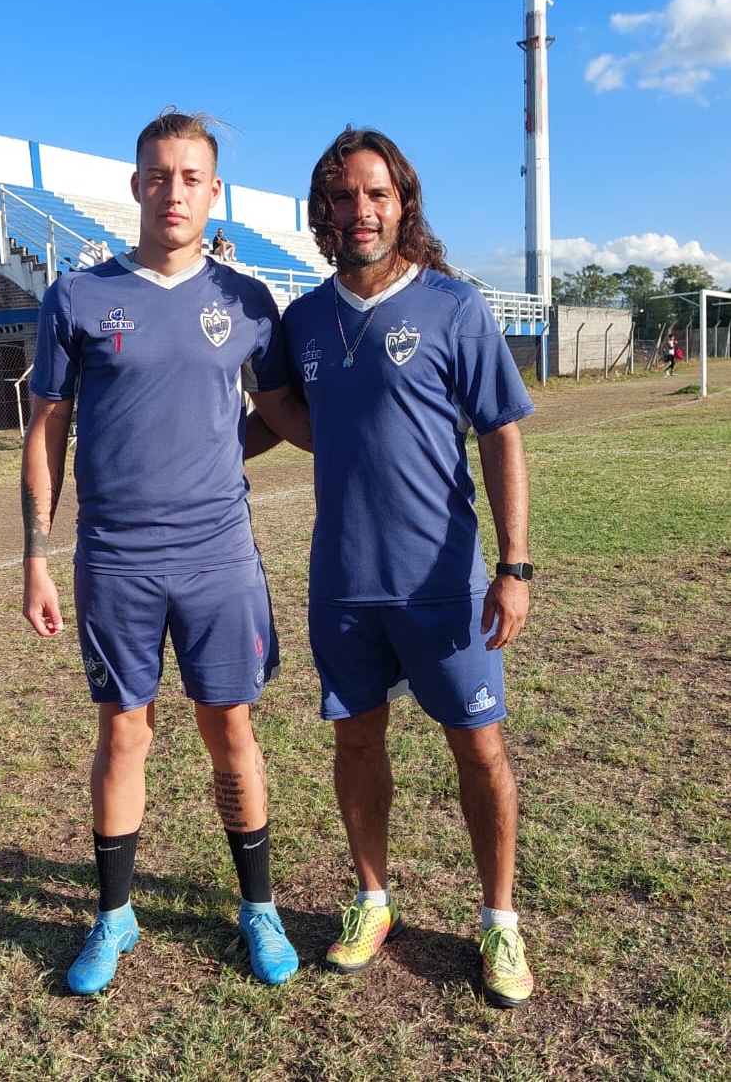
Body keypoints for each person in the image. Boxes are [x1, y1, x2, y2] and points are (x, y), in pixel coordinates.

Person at [22, 109, 311, 996]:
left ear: (212, 190)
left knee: (230, 731)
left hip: (219, 554)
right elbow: (46, 431)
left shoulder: (247, 300)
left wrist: (373, 441)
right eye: (159, 173)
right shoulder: (75, 297)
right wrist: (34, 552)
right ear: (136, 181)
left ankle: (256, 908)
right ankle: (114, 917)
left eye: (191, 177)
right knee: (123, 731)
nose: (174, 190)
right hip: (114, 558)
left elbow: (278, 414)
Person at [277, 128, 536, 1008]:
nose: (360, 211)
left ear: (402, 203)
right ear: (324, 211)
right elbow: (276, 405)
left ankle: (499, 920)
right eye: (344, 198)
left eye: (376, 195)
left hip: (445, 584)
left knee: (480, 748)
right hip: (344, 582)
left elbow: (500, 431)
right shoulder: (304, 318)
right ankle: (371, 899)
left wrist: (515, 565)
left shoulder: (454, 307)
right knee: (355, 741)